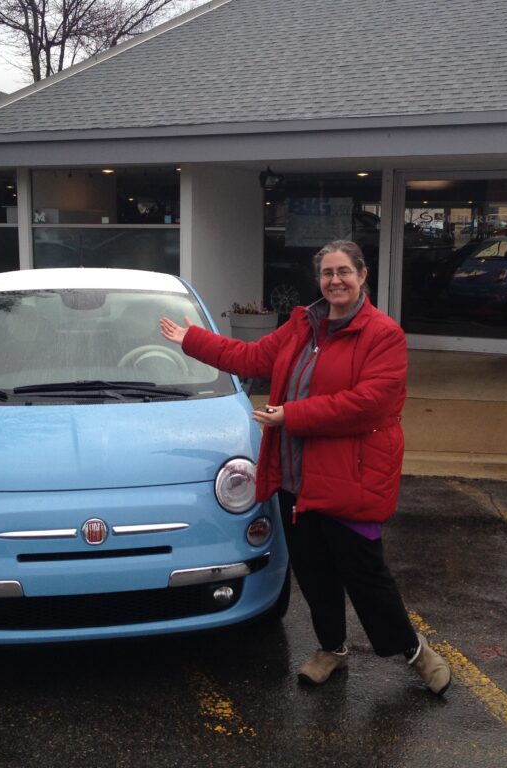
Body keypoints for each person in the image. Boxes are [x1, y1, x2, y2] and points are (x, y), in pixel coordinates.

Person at [159, 239, 452, 694]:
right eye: (327, 273)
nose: (335, 281)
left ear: (362, 275)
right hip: (296, 480)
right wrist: (192, 340)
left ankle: (415, 651)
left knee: (366, 577)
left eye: (344, 272)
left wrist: (291, 415)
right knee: (315, 573)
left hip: (351, 478)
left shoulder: (383, 334)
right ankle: (332, 650)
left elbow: (370, 404)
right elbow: (252, 358)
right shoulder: (302, 325)